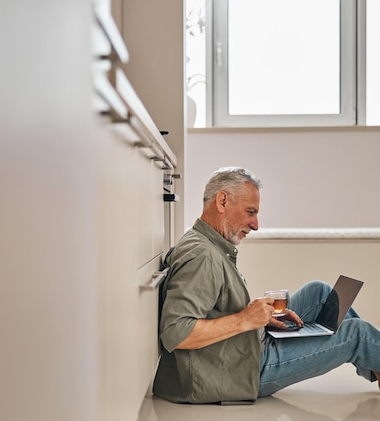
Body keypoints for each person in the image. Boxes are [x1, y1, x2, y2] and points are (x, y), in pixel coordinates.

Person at [152, 166, 380, 404]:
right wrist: (245, 319)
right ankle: (375, 364)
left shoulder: (206, 242)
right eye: (250, 212)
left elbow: (214, 307)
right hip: (242, 370)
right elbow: (176, 333)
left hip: (243, 347)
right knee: (357, 333)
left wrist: (257, 316)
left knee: (320, 292)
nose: (256, 224)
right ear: (222, 201)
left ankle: (376, 367)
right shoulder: (203, 256)